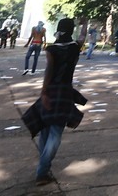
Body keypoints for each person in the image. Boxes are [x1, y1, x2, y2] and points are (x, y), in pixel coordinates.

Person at [23, 18, 84, 186]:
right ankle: (42, 171)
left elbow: (49, 71)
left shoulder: (51, 49)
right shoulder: (75, 48)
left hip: (50, 91)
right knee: (55, 132)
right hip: (65, 92)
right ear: (71, 30)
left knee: (45, 130)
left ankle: (43, 168)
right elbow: (82, 38)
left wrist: (44, 92)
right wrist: (83, 24)